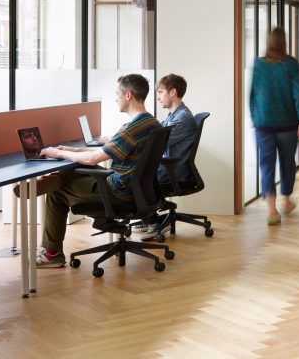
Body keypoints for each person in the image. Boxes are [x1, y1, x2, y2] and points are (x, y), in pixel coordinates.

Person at [35, 74, 161, 268]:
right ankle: (58, 177)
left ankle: (52, 254)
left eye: (117, 93)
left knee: (57, 193)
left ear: (128, 95)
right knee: (80, 165)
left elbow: (94, 158)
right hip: (135, 190)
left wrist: (56, 153)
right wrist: (72, 150)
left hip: (118, 191)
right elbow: (105, 151)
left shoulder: (132, 128)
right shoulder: (150, 123)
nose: (115, 98)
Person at [250, 26, 299, 226]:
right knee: (287, 163)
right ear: (284, 42)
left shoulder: (259, 64)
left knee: (266, 166)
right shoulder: (290, 64)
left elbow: (253, 96)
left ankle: (272, 212)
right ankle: (286, 201)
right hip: (288, 124)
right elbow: (297, 93)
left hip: (263, 125)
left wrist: (256, 119)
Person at [133, 73, 198, 240]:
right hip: (168, 167)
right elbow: (155, 133)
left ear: (173, 92)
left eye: (160, 92)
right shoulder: (174, 115)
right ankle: (149, 218)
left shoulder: (182, 118)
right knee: (136, 173)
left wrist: (130, 143)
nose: (158, 97)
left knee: (135, 178)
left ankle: (153, 221)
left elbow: (156, 143)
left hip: (173, 171)